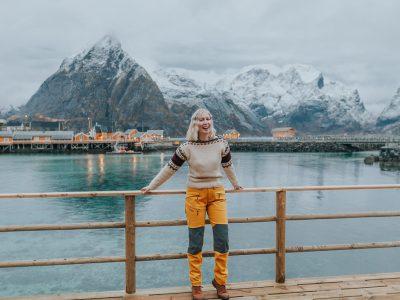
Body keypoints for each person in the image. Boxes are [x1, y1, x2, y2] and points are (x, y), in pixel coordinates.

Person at [141, 108, 242, 300]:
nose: (206, 122)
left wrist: (236, 184)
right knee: (195, 242)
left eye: (208, 118)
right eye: (201, 119)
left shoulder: (222, 143)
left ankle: (220, 282)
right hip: (195, 195)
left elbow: (228, 166)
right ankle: (196, 285)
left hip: (217, 194)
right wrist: (151, 186)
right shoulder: (186, 147)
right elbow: (169, 169)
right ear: (194, 123)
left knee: (222, 240)